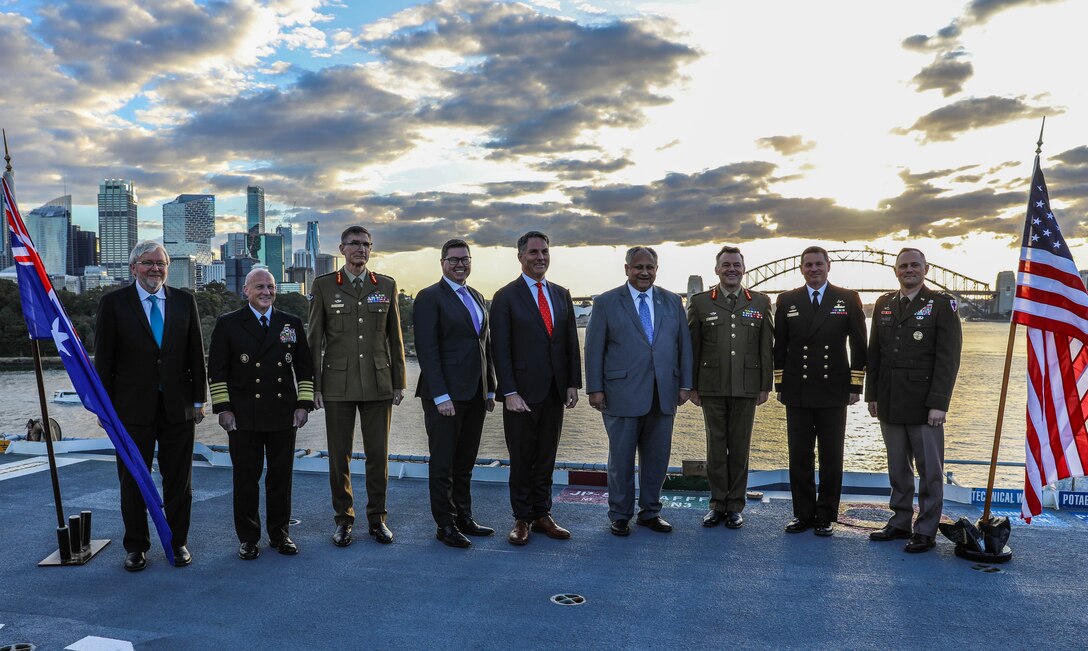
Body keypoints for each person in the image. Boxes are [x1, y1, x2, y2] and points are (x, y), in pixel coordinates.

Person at [94, 241, 207, 571]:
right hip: (130, 410)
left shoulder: (185, 301)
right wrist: (104, 408)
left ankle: (177, 542)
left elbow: (195, 355)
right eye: (148, 263)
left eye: (161, 263)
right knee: (132, 481)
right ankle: (136, 547)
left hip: (179, 408)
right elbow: (105, 360)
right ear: (133, 268)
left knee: (179, 483)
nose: (155, 269)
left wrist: (199, 401)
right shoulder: (113, 304)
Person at [307, 226, 406, 547]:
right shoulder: (324, 287)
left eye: (366, 244)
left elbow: (395, 338)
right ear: (342, 248)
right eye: (354, 244)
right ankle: (344, 519)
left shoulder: (386, 286)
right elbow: (314, 341)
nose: (360, 249)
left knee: (379, 455)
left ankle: (377, 519)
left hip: (379, 383)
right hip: (337, 384)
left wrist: (399, 381)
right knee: (340, 457)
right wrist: (314, 386)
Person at [584, 246, 693, 536]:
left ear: (657, 269)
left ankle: (650, 512)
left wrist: (685, 384)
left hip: (664, 392)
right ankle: (619, 514)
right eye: (638, 267)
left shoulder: (672, 301)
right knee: (620, 459)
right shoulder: (606, 302)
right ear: (627, 269)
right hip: (620, 393)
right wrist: (595, 388)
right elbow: (593, 348)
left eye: (650, 267)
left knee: (657, 458)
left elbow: (684, 346)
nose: (644, 272)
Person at [208, 269, 315, 560]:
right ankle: (248, 538)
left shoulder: (290, 323)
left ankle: (280, 534)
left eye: (270, 286)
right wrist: (223, 409)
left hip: (283, 415)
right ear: (246, 291)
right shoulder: (228, 324)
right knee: (246, 479)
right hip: (243, 417)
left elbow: (305, 368)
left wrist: (303, 404)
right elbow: (216, 372)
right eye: (259, 287)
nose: (266, 291)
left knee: (281, 478)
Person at [865, 248, 962, 553]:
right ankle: (899, 521)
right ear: (896, 271)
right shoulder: (884, 304)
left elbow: (948, 359)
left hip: (925, 405)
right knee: (898, 467)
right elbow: (875, 355)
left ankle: (926, 529)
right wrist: (873, 396)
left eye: (915, 265)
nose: (909, 270)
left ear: (926, 269)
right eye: (903, 265)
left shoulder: (941, 305)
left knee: (930, 471)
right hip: (890, 400)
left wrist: (939, 403)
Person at [490, 231, 581, 545]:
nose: (540, 257)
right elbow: (499, 348)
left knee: (546, 456)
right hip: (521, 394)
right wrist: (509, 391)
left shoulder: (560, 293)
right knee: (521, 457)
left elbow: (569, 342)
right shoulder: (505, 296)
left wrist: (572, 383)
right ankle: (521, 518)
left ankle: (543, 514)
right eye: (533, 252)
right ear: (520, 257)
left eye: (544, 252)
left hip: (555, 391)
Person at [773, 245, 866, 537]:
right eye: (808, 265)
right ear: (801, 269)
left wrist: (855, 385)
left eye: (818, 264)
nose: (813, 269)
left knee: (831, 457)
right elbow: (780, 347)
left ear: (828, 266)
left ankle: (826, 515)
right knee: (799, 455)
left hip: (833, 389)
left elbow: (859, 345)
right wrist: (780, 384)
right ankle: (802, 514)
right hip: (798, 389)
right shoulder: (787, 300)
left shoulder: (847, 298)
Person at [414, 238, 497, 548]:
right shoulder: (429, 297)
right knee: (443, 462)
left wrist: (490, 388)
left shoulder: (476, 296)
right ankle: (445, 525)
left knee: (465, 461)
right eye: (454, 260)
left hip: (476, 393)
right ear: (442, 263)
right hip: (445, 396)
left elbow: (484, 345)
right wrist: (440, 396)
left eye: (465, 259)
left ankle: (464, 517)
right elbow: (427, 350)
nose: (460, 264)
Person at [687, 245, 773, 529]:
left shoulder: (760, 301)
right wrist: (692, 386)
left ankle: (735, 505)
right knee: (715, 448)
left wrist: (765, 386)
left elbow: (765, 348)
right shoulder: (700, 302)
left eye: (736, 264)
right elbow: (693, 348)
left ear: (743, 268)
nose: (731, 269)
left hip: (747, 387)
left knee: (740, 448)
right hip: (711, 386)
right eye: (726, 265)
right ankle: (717, 504)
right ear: (717, 270)